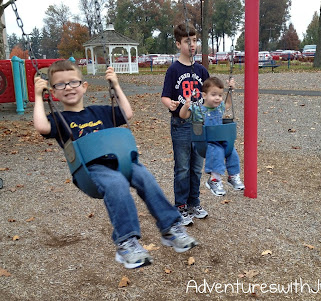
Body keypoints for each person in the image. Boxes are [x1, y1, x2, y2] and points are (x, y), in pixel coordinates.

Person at [33, 60, 198, 269]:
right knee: (117, 183)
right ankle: (126, 243)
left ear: (84, 86)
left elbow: (127, 113)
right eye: (60, 84)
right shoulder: (59, 118)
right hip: (91, 170)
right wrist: (39, 96)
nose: (68, 88)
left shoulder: (100, 112)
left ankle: (170, 228)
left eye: (73, 82)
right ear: (53, 92)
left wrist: (116, 85)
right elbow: (41, 126)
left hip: (121, 161)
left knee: (145, 177)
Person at [161, 23, 209, 225]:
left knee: (196, 167)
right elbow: (165, 96)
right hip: (180, 124)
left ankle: (193, 202)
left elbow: (209, 95)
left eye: (195, 40)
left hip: (199, 125)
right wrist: (168, 103)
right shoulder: (173, 70)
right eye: (187, 41)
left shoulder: (201, 70)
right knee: (182, 167)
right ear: (178, 43)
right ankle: (180, 206)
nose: (192, 44)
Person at [179, 76, 245, 196]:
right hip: (206, 143)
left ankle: (233, 176)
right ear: (204, 95)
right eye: (214, 94)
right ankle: (214, 180)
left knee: (231, 151)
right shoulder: (198, 109)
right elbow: (183, 116)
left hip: (221, 139)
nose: (218, 98)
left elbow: (228, 104)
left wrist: (230, 91)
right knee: (218, 151)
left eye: (220, 95)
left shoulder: (219, 108)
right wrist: (185, 106)